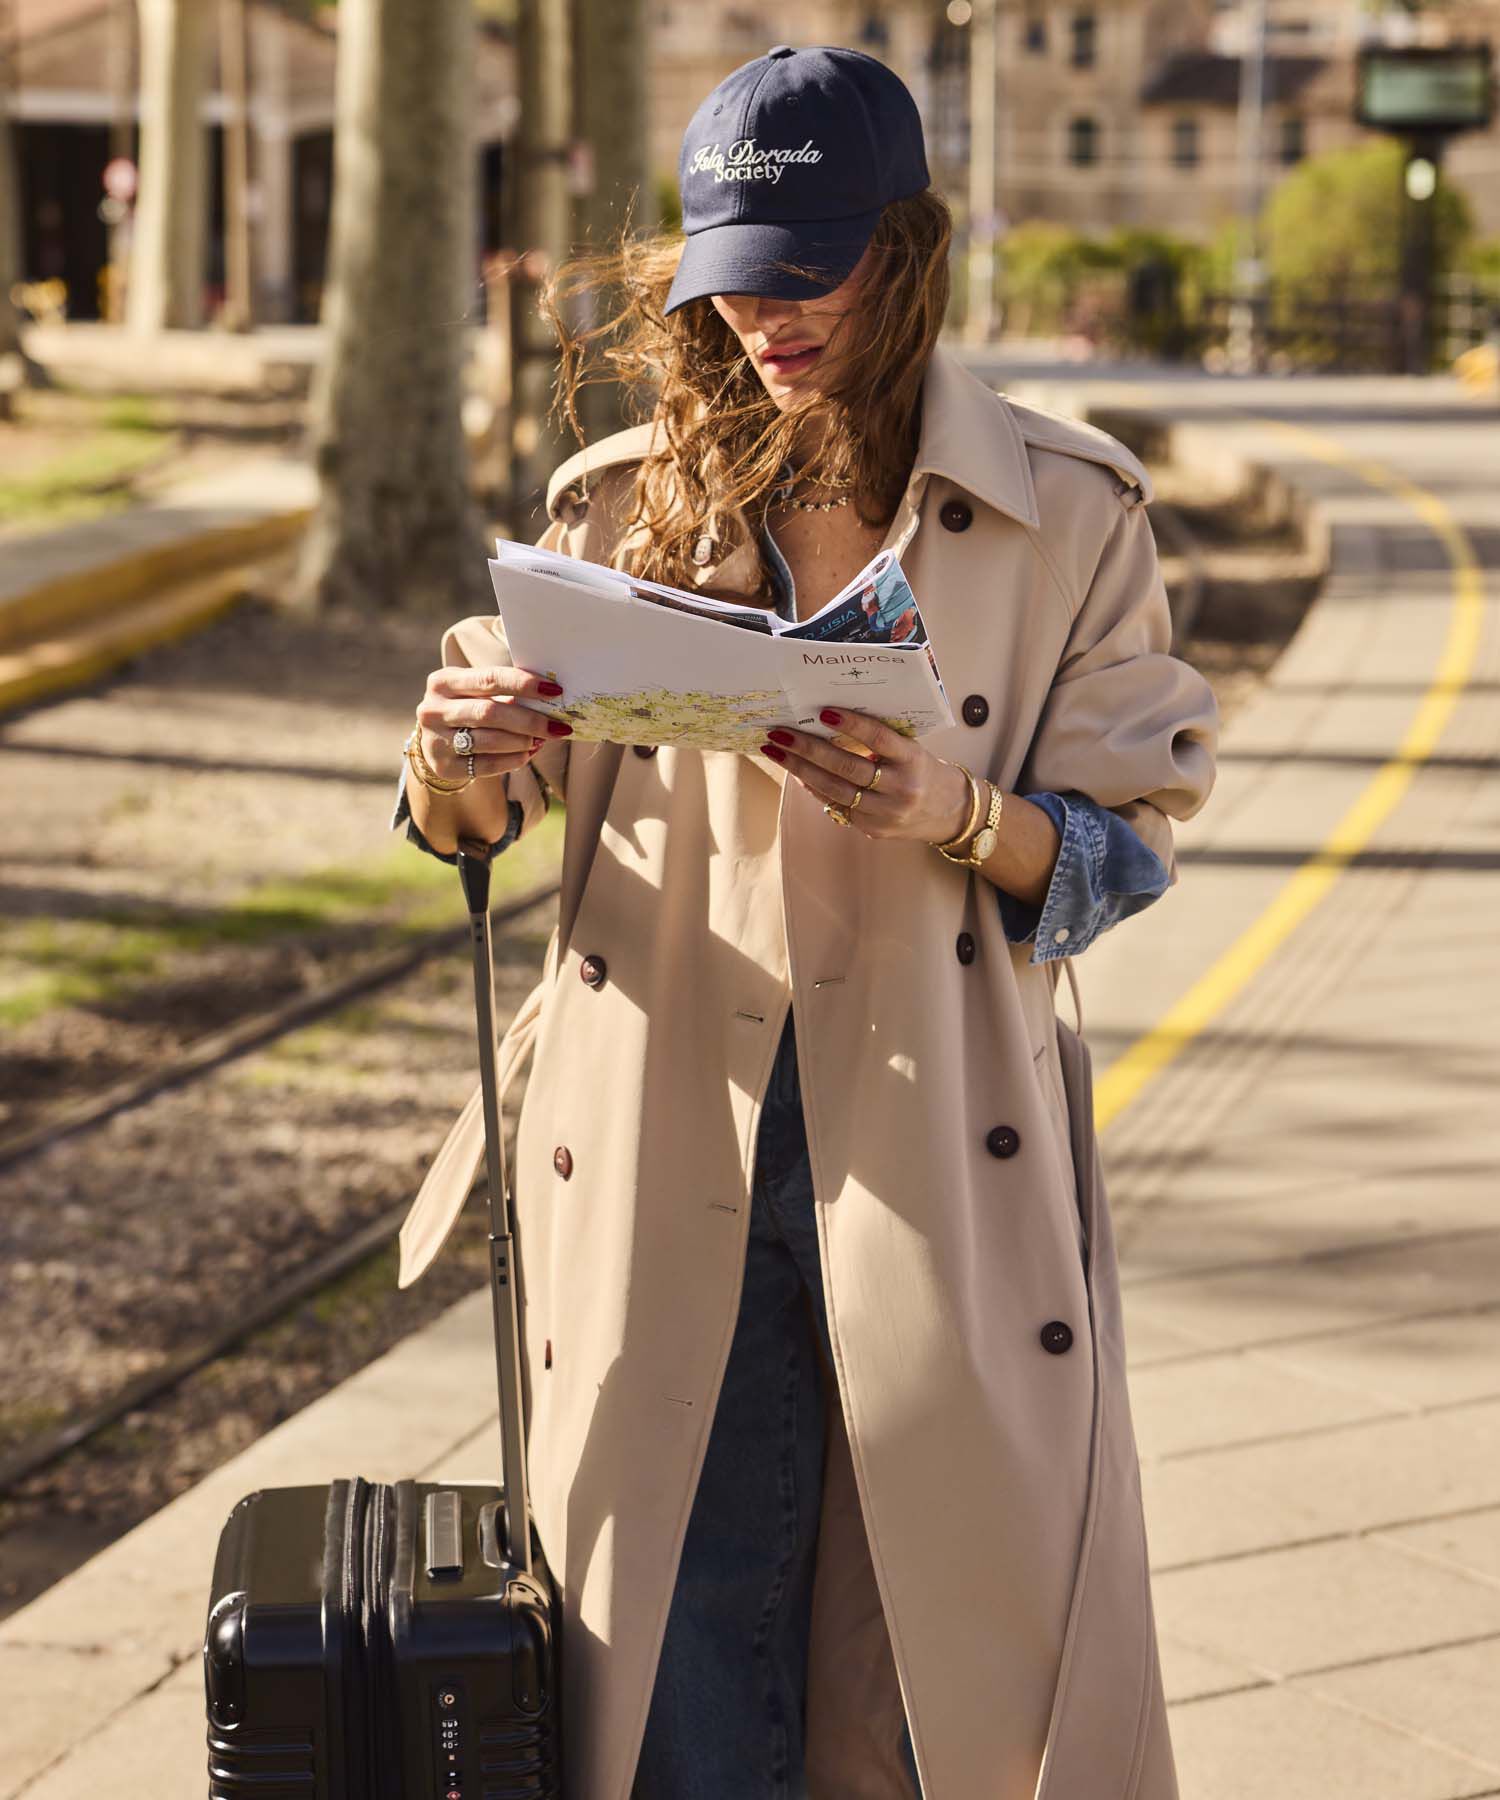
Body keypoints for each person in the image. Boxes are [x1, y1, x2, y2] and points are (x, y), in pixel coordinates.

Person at [392, 43, 1216, 1800]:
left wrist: (963, 816)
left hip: (937, 1164)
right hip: (662, 1144)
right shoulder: (619, 502)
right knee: (674, 1663)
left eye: (811, 267)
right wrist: (456, 757)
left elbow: (1128, 849)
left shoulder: (1069, 516)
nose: (767, 315)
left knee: (934, 1677)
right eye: (733, 275)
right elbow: (478, 821)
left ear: (906, 251)